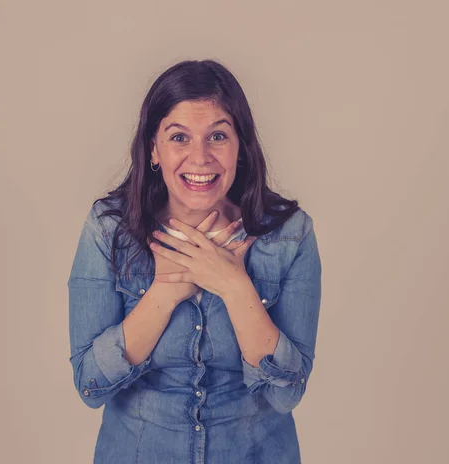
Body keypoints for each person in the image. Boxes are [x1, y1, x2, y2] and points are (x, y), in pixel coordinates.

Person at [67, 59, 322, 464]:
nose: (200, 158)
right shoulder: (108, 230)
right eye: (179, 138)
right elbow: (91, 385)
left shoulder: (290, 235)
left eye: (217, 136)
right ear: (154, 148)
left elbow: (286, 393)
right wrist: (166, 290)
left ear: (241, 146)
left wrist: (235, 286)